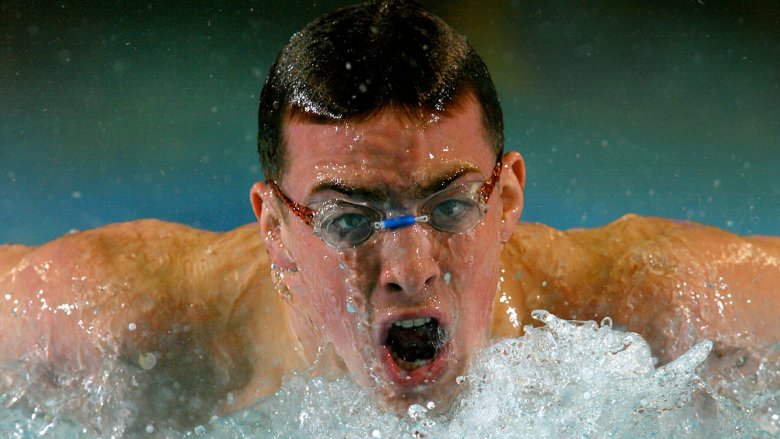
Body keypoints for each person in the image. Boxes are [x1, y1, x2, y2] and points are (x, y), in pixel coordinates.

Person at [1, 0, 778, 433]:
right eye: (347, 221)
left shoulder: (636, 314)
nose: (409, 268)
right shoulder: (129, 324)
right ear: (274, 225)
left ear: (505, 198)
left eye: (447, 205)